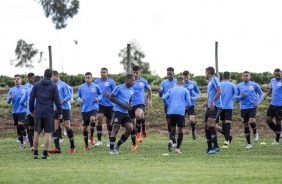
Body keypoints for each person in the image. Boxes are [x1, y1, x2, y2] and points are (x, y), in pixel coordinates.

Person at [29, 69, 62, 159]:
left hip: (38, 111)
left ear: (43, 75)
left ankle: (35, 153)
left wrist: (31, 110)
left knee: (37, 132)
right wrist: (60, 112)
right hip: (49, 112)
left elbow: (31, 99)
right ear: (51, 76)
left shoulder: (37, 85)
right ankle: (45, 154)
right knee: (47, 133)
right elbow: (57, 100)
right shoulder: (53, 86)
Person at [48, 71, 75, 154]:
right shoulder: (51, 85)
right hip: (56, 109)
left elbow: (69, 96)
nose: (51, 79)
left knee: (67, 126)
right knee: (55, 127)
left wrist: (62, 102)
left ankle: (72, 147)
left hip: (65, 108)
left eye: (51, 77)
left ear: (55, 76)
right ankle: (57, 148)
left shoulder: (63, 84)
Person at [163, 77, 191, 154]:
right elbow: (189, 103)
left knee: (172, 129)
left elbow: (164, 98)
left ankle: (171, 140)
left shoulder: (171, 90)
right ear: (183, 83)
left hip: (171, 112)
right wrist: (186, 106)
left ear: (176, 83)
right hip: (180, 112)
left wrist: (168, 105)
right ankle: (177, 148)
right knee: (180, 130)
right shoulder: (185, 90)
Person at [236, 71, 263, 148]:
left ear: (249, 76)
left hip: (252, 107)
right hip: (243, 108)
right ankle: (249, 144)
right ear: (242, 77)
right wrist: (240, 97)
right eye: (244, 76)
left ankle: (255, 131)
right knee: (245, 125)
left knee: (252, 121)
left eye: (246, 76)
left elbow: (261, 93)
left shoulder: (254, 85)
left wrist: (257, 102)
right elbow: (235, 97)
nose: (245, 77)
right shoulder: (239, 86)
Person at [108, 74, 135, 154]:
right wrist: (122, 105)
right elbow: (111, 97)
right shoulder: (119, 87)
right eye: (132, 80)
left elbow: (130, 100)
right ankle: (111, 149)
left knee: (130, 128)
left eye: (134, 80)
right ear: (127, 80)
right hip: (117, 110)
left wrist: (130, 105)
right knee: (115, 128)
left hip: (125, 112)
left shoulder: (132, 90)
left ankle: (117, 145)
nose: (133, 82)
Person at [128, 65, 152, 150]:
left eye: (136, 72)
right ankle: (134, 144)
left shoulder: (143, 81)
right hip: (130, 104)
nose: (135, 74)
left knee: (138, 115)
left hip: (140, 103)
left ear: (139, 72)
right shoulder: (130, 81)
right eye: (133, 72)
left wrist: (149, 99)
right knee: (132, 125)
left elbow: (149, 89)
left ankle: (139, 133)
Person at [77, 72, 102, 151]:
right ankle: (86, 145)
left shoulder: (96, 86)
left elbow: (100, 95)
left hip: (93, 107)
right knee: (84, 128)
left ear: (92, 78)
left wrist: (97, 99)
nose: (87, 79)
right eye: (86, 77)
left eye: (89, 77)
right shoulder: (81, 87)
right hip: (84, 109)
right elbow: (78, 97)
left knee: (92, 119)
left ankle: (91, 136)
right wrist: (80, 100)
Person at [94, 67, 116, 147]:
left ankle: (110, 139)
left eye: (104, 72)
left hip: (110, 105)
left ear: (107, 73)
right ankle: (99, 140)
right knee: (99, 119)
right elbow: (94, 91)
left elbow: (115, 93)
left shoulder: (111, 82)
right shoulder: (96, 81)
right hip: (101, 104)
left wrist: (109, 94)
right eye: (101, 72)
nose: (102, 73)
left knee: (109, 123)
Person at [203, 67, 222, 154]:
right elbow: (212, 93)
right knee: (206, 126)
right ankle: (209, 148)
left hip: (216, 106)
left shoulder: (214, 79)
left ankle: (216, 146)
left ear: (208, 73)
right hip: (210, 106)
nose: (205, 74)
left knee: (211, 124)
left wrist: (212, 102)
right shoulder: (210, 82)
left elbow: (219, 92)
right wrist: (207, 102)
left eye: (205, 72)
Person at [20, 75, 41, 151]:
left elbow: (21, 101)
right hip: (39, 112)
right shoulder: (41, 90)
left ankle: (32, 146)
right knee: (38, 130)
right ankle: (37, 145)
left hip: (29, 112)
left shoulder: (28, 90)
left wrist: (27, 105)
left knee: (30, 129)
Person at [6, 74, 28, 148]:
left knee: (20, 123)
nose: (16, 80)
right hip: (15, 111)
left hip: (23, 110)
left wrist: (27, 102)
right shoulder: (11, 90)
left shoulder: (25, 89)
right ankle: (22, 144)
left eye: (18, 78)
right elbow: (8, 102)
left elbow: (28, 98)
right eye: (15, 79)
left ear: (21, 80)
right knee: (18, 129)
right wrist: (10, 98)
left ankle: (26, 135)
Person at [158, 67, 177, 146]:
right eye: (168, 74)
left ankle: (176, 138)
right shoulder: (163, 83)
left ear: (173, 73)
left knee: (176, 122)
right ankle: (172, 139)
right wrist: (160, 92)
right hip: (167, 105)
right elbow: (160, 95)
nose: (169, 75)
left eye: (170, 74)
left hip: (176, 105)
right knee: (169, 122)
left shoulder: (176, 82)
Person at [264, 68, 282, 145]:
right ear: (274, 74)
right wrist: (267, 94)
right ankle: (279, 133)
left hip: (280, 105)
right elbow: (272, 89)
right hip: (272, 104)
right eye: (276, 75)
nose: (277, 77)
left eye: (279, 75)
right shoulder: (272, 80)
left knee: (278, 122)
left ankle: (277, 141)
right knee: (268, 120)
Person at [219, 71, 236, 146]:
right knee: (228, 122)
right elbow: (237, 94)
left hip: (220, 107)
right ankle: (227, 139)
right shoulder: (232, 85)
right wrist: (239, 98)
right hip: (229, 107)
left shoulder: (219, 84)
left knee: (223, 123)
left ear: (222, 77)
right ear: (230, 77)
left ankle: (227, 139)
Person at [182, 70, 200, 140]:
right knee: (181, 122)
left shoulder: (193, 83)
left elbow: (198, 92)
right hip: (182, 105)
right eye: (185, 77)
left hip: (191, 105)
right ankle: (180, 137)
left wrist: (194, 98)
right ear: (183, 77)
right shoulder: (181, 84)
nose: (186, 78)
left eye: (187, 77)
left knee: (192, 120)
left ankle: (193, 130)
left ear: (189, 76)